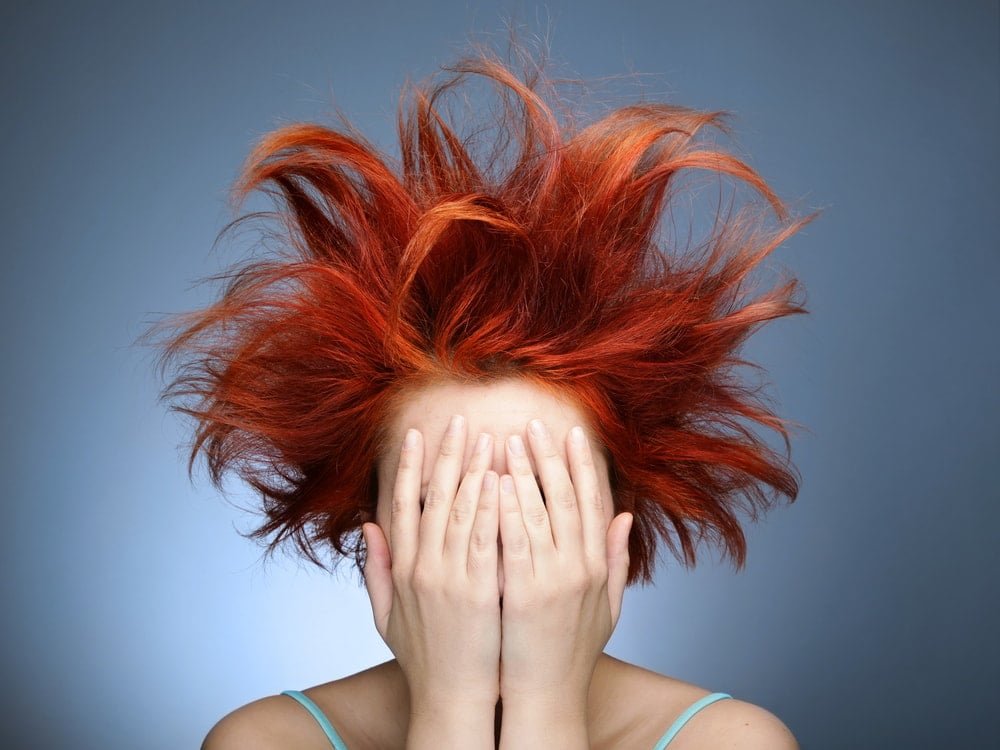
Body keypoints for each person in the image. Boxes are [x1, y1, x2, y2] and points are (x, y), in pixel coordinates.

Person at [158, 48, 811, 749]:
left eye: (543, 499)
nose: (495, 552)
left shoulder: (731, 740)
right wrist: (451, 702)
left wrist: (545, 699)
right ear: (372, 526)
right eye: (443, 502)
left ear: (616, 524)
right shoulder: (268, 740)